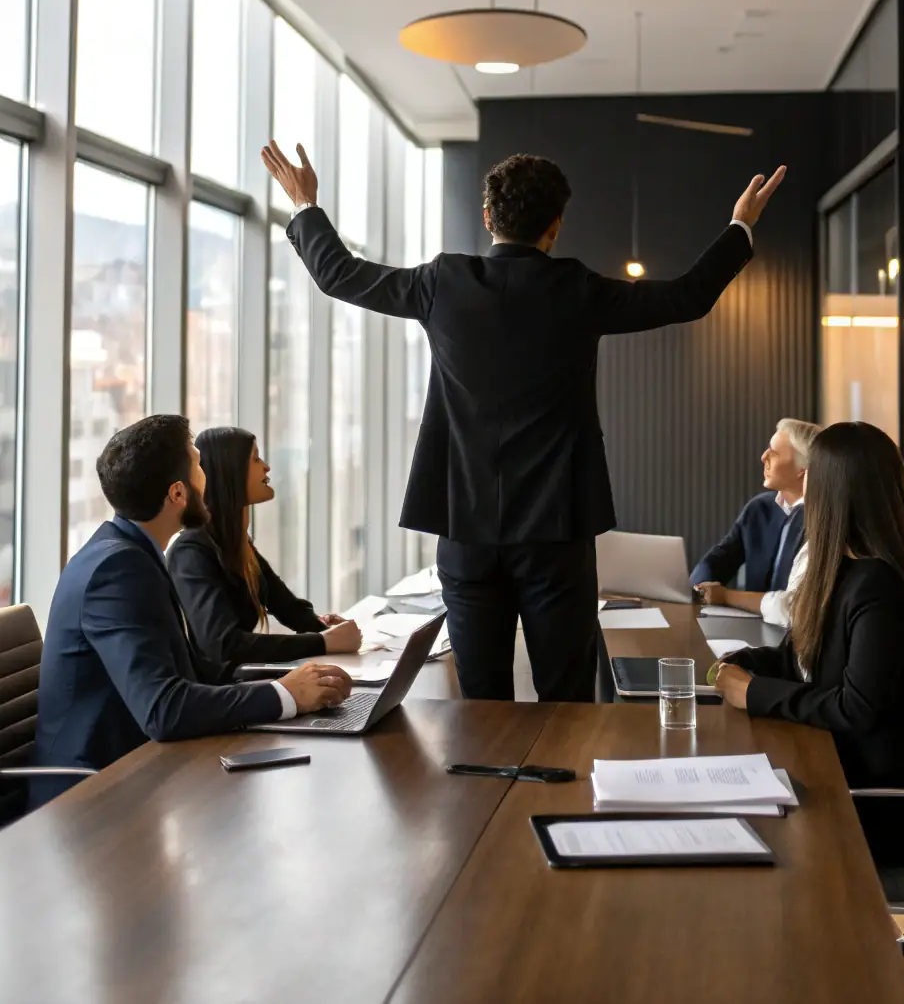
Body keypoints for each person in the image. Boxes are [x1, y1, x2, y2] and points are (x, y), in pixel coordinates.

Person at [263, 139, 785, 704]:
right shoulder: (578, 291)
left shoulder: (442, 283)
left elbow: (340, 274)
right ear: (556, 226)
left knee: (482, 701)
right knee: (566, 700)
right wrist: (740, 226)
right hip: (556, 532)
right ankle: (561, 792)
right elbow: (688, 296)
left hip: (466, 528)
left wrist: (305, 206)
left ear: (488, 218)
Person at [30, 416, 351, 808]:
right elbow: (164, 709)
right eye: (200, 467)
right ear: (178, 494)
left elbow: (193, 668)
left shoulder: (132, 553)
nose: (208, 480)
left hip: (138, 772)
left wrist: (292, 682)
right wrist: (283, 694)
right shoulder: (117, 571)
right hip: (88, 799)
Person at [713, 422, 904, 864]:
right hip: (846, 775)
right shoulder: (842, 570)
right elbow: (804, 658)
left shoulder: (879, 587)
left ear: (834, 492)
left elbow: (856, 708)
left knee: (738, 833)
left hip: (880, 808)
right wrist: (746, 662)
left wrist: (754, 693)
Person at [169, 427, 362, 667]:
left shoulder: (236, 543)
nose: (266, 467)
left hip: (243, 683)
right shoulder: (191, 551)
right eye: (255, 459)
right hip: (222, 694)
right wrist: (323, 642)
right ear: (232, 470)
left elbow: (287, 606)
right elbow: (225, 644)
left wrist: (324, 627)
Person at [689, 419, 819, 616]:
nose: (763, 457)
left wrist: (725, 595)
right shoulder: (760, 508)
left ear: (802, 468)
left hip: (792, 631)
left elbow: (795, 607)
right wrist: (697, 589)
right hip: (752, 624)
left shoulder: (822, 521)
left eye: (773, 453)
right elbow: (718, 559)